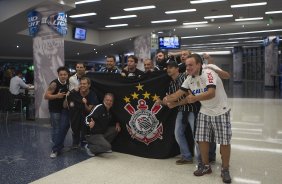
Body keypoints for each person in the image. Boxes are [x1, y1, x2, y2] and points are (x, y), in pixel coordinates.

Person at [164, 54, 232, 183]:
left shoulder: (208, 72)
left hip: (221, 111)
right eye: (186, 65)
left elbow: (211, 93)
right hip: (205, 111)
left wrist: (195, 98)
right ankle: (206, 166)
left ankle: (225, 169)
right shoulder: (189, 79)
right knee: (201, 140)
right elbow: (179, 93)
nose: (187, 67)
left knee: (224, 142)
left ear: (199, 64)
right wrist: (167, 99)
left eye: (191, 65)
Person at [158, 60, 200, 165]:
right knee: (178, 133)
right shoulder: (171, 84)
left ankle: (202, 159)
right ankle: (186, 156)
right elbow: (172, 100)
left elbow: (189, 98)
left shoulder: (184, 78)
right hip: (182, 110)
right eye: (167, 68)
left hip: (193, 110)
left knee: (197, 136)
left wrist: (173, 102)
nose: (169, 70)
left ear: (177, 69)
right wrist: (162, 102)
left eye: (171, 67)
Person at [65, 77, 99, 149]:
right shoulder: (74, 93)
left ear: (89, 85)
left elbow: (89, 110)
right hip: (75, 116)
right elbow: (66, 105)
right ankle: (75, 142)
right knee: (75, 130)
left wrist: (85, 103)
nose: (82, 85)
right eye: (81, 84)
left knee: (85, 133)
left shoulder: (92, 94)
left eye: (84, 84)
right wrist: (66, 96)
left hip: (86, 116)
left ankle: (84, 141)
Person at [44, 66, 70, 158]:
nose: (63, 76)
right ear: (58, 75)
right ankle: (55, 148)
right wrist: (57, 96)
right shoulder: (54, 84)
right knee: (57, 128)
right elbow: (46, 96)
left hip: (64, 109)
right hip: (55, 109)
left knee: (63, 128)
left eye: (65, 74)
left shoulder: (68, 83)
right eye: (61, 74)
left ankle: (58, 145)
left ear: (67, 75)